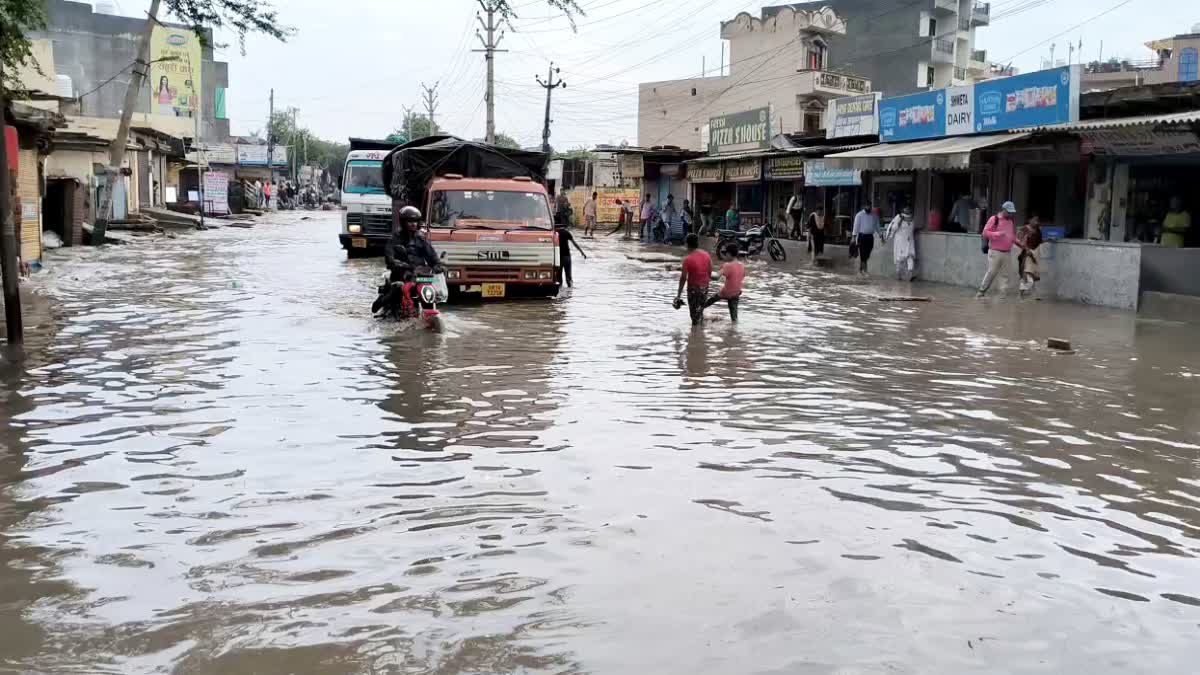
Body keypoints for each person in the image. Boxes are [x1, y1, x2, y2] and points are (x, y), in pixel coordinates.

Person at [977, 201, 1018, 298]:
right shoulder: (994, 219)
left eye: (1012, 212)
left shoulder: (1011, 221)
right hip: (995, 252)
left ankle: (1002, 296)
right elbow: (985, 233)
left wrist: (1020, 244)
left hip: (1007, 252)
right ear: (1004, 210)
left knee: (1005, 275)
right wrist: (997, 234)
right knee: (992, 272)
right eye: (1009, 212)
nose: (1011, 214)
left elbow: (1012, 236)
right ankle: (981, 291)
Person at [674, 234, 713, 326]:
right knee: (700, 310)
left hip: (693, 290)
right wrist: (706, 284)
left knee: (694, 316)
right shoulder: (706, 255)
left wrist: (678, 295)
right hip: (704, 288)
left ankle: (695, 335)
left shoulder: (687, 260)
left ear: (687, 244)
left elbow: (683, 278)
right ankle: (701, 333)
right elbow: (710, 271)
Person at [704, 242, 746, 322]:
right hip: (736, 293)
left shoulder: (727, 265)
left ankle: (699, 311)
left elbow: (716, 277)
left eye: (726, 254)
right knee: (734, 318)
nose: (725, 256)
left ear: (729, 254)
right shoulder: (742, 265)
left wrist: (705, 272)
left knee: (708, 302)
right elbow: (741, 277)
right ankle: (733, 330)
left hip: (725, 292)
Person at [885, 205, 918, 281]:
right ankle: (898, 275)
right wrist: (900, 221)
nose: (908, 210)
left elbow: (912, 228)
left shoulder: (912, 219)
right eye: (906, 209)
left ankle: (910, 274)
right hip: (900, 241)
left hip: (910, 241)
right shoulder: (898, 217)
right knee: (900, 258)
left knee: (910, 256)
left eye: (909, 209)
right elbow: (892, 228)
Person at [1016, 214, 1043, 298]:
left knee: (1032, 275)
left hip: (1035, 253)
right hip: (1026, 254)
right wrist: (1027, 250)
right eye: (1034, 220)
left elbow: (1039, 241)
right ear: (1029, 220)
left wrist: (1049, 239)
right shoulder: (1024, 229)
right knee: (1027, 273)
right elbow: (1019, 240)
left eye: (1037, 220)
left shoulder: (1038, 230)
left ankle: (1030, 293)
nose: (1036, 222)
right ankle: (1021, 294)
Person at [555, 220, 588, 287]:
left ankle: (560, 292)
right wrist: (582, 252)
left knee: (558, 277)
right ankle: (570, 293)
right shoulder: (566, 233)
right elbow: (574, 243)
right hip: (566, 256)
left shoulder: (554, 233)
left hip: (557, 257)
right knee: (568, 277)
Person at [851, 202, 880, 276]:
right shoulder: (859, 215)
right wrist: (854, 237)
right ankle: (865, 270)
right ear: (864, 206)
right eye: (867, 206)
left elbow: (877, 226)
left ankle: (860, 270)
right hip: (862, 237)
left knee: (867, 255)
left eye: (869, 206)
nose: (868, 208)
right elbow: (856, 226)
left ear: (871, 206)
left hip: (870, 237)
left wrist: (880, 235)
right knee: (863, 254)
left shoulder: (874, 215)